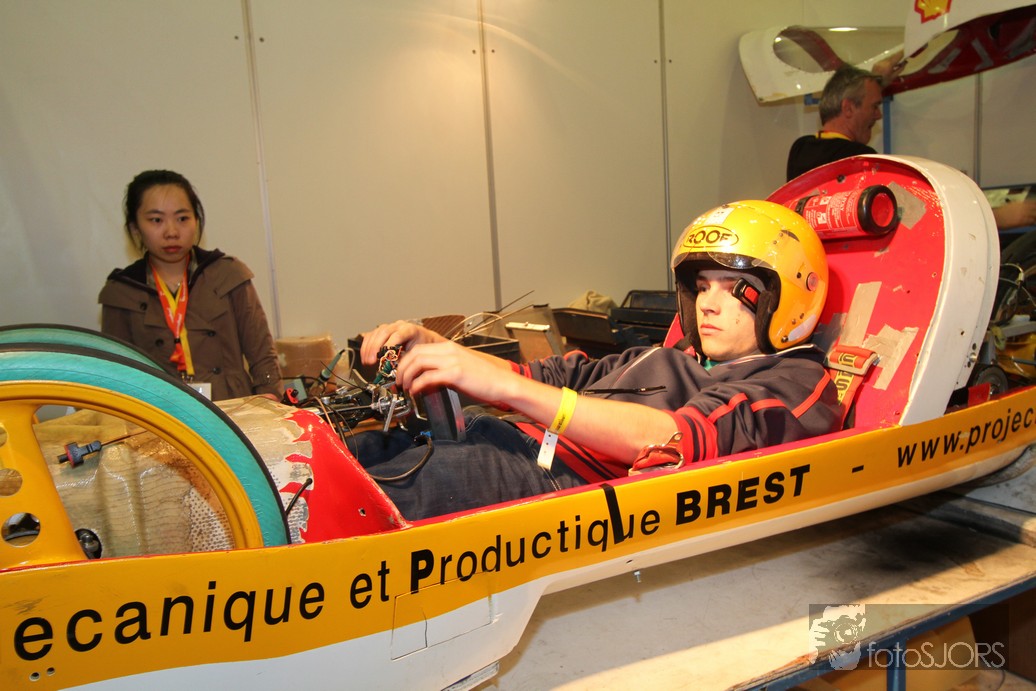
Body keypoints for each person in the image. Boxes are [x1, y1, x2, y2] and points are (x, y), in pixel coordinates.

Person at [352, 200, 842, 520]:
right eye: (701, 287)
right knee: (357, 453)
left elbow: (672, 437)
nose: (707, 305)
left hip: (554, 481)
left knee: (355, 506)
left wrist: (508, 391)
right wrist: (442, 351)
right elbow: (557, 374)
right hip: (511, 444)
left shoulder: (795, 382)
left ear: (784, 297)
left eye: (732, 288)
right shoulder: (681, 356)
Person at [98, 170, 282, 401]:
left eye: (182, 218)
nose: (172, 232)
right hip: (162, 410)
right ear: (135, 227)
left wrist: (269, 397)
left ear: (196, 220)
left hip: (234, 405)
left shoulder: (228, 274)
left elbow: (262, 352)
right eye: (156, 220)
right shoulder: (122, 291)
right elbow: (118, 372)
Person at [786, 65, 884, 182]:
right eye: (874, 106)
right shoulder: (862, 158)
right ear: (848, 108)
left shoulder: (800, 149)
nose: (879, 115)